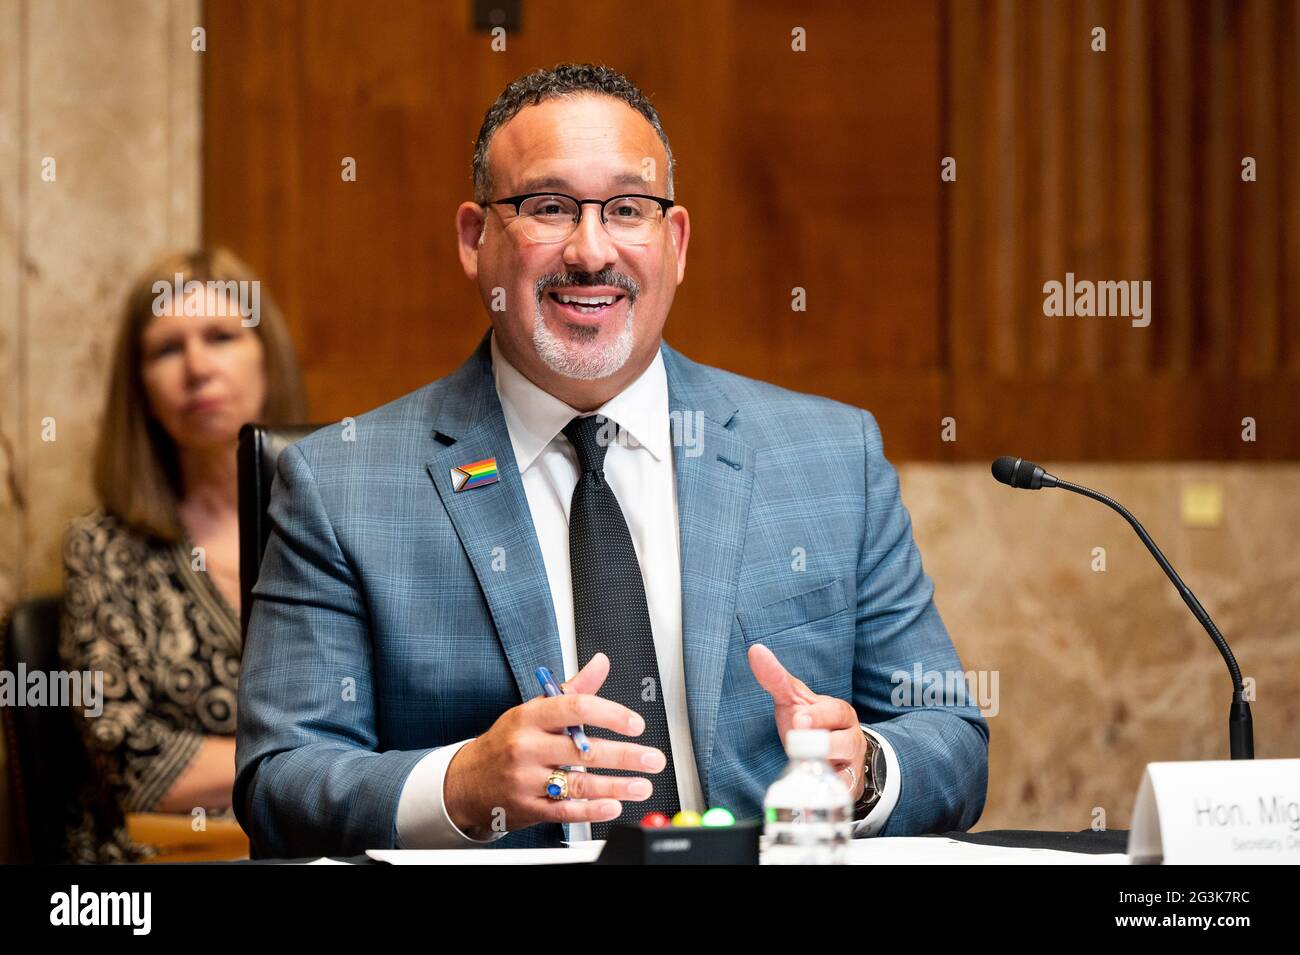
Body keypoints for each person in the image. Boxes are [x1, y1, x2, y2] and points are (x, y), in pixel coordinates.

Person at [235, 64, 988, 857]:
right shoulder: (341, 484)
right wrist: (462, 782)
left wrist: (864, 767)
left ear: (676, 242)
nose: (591, 252)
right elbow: (280, 781)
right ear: (474, 239)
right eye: (548, 207)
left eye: (629, 209)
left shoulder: (830, 457)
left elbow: (953, 740)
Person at [60, 248, 306, 862]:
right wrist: (315, 761)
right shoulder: (103, 549)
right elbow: (130, 759)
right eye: (167, 349)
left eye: (221, 336)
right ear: (139, 388)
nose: (196, 367)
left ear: (267, 360)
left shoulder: (336, 524)